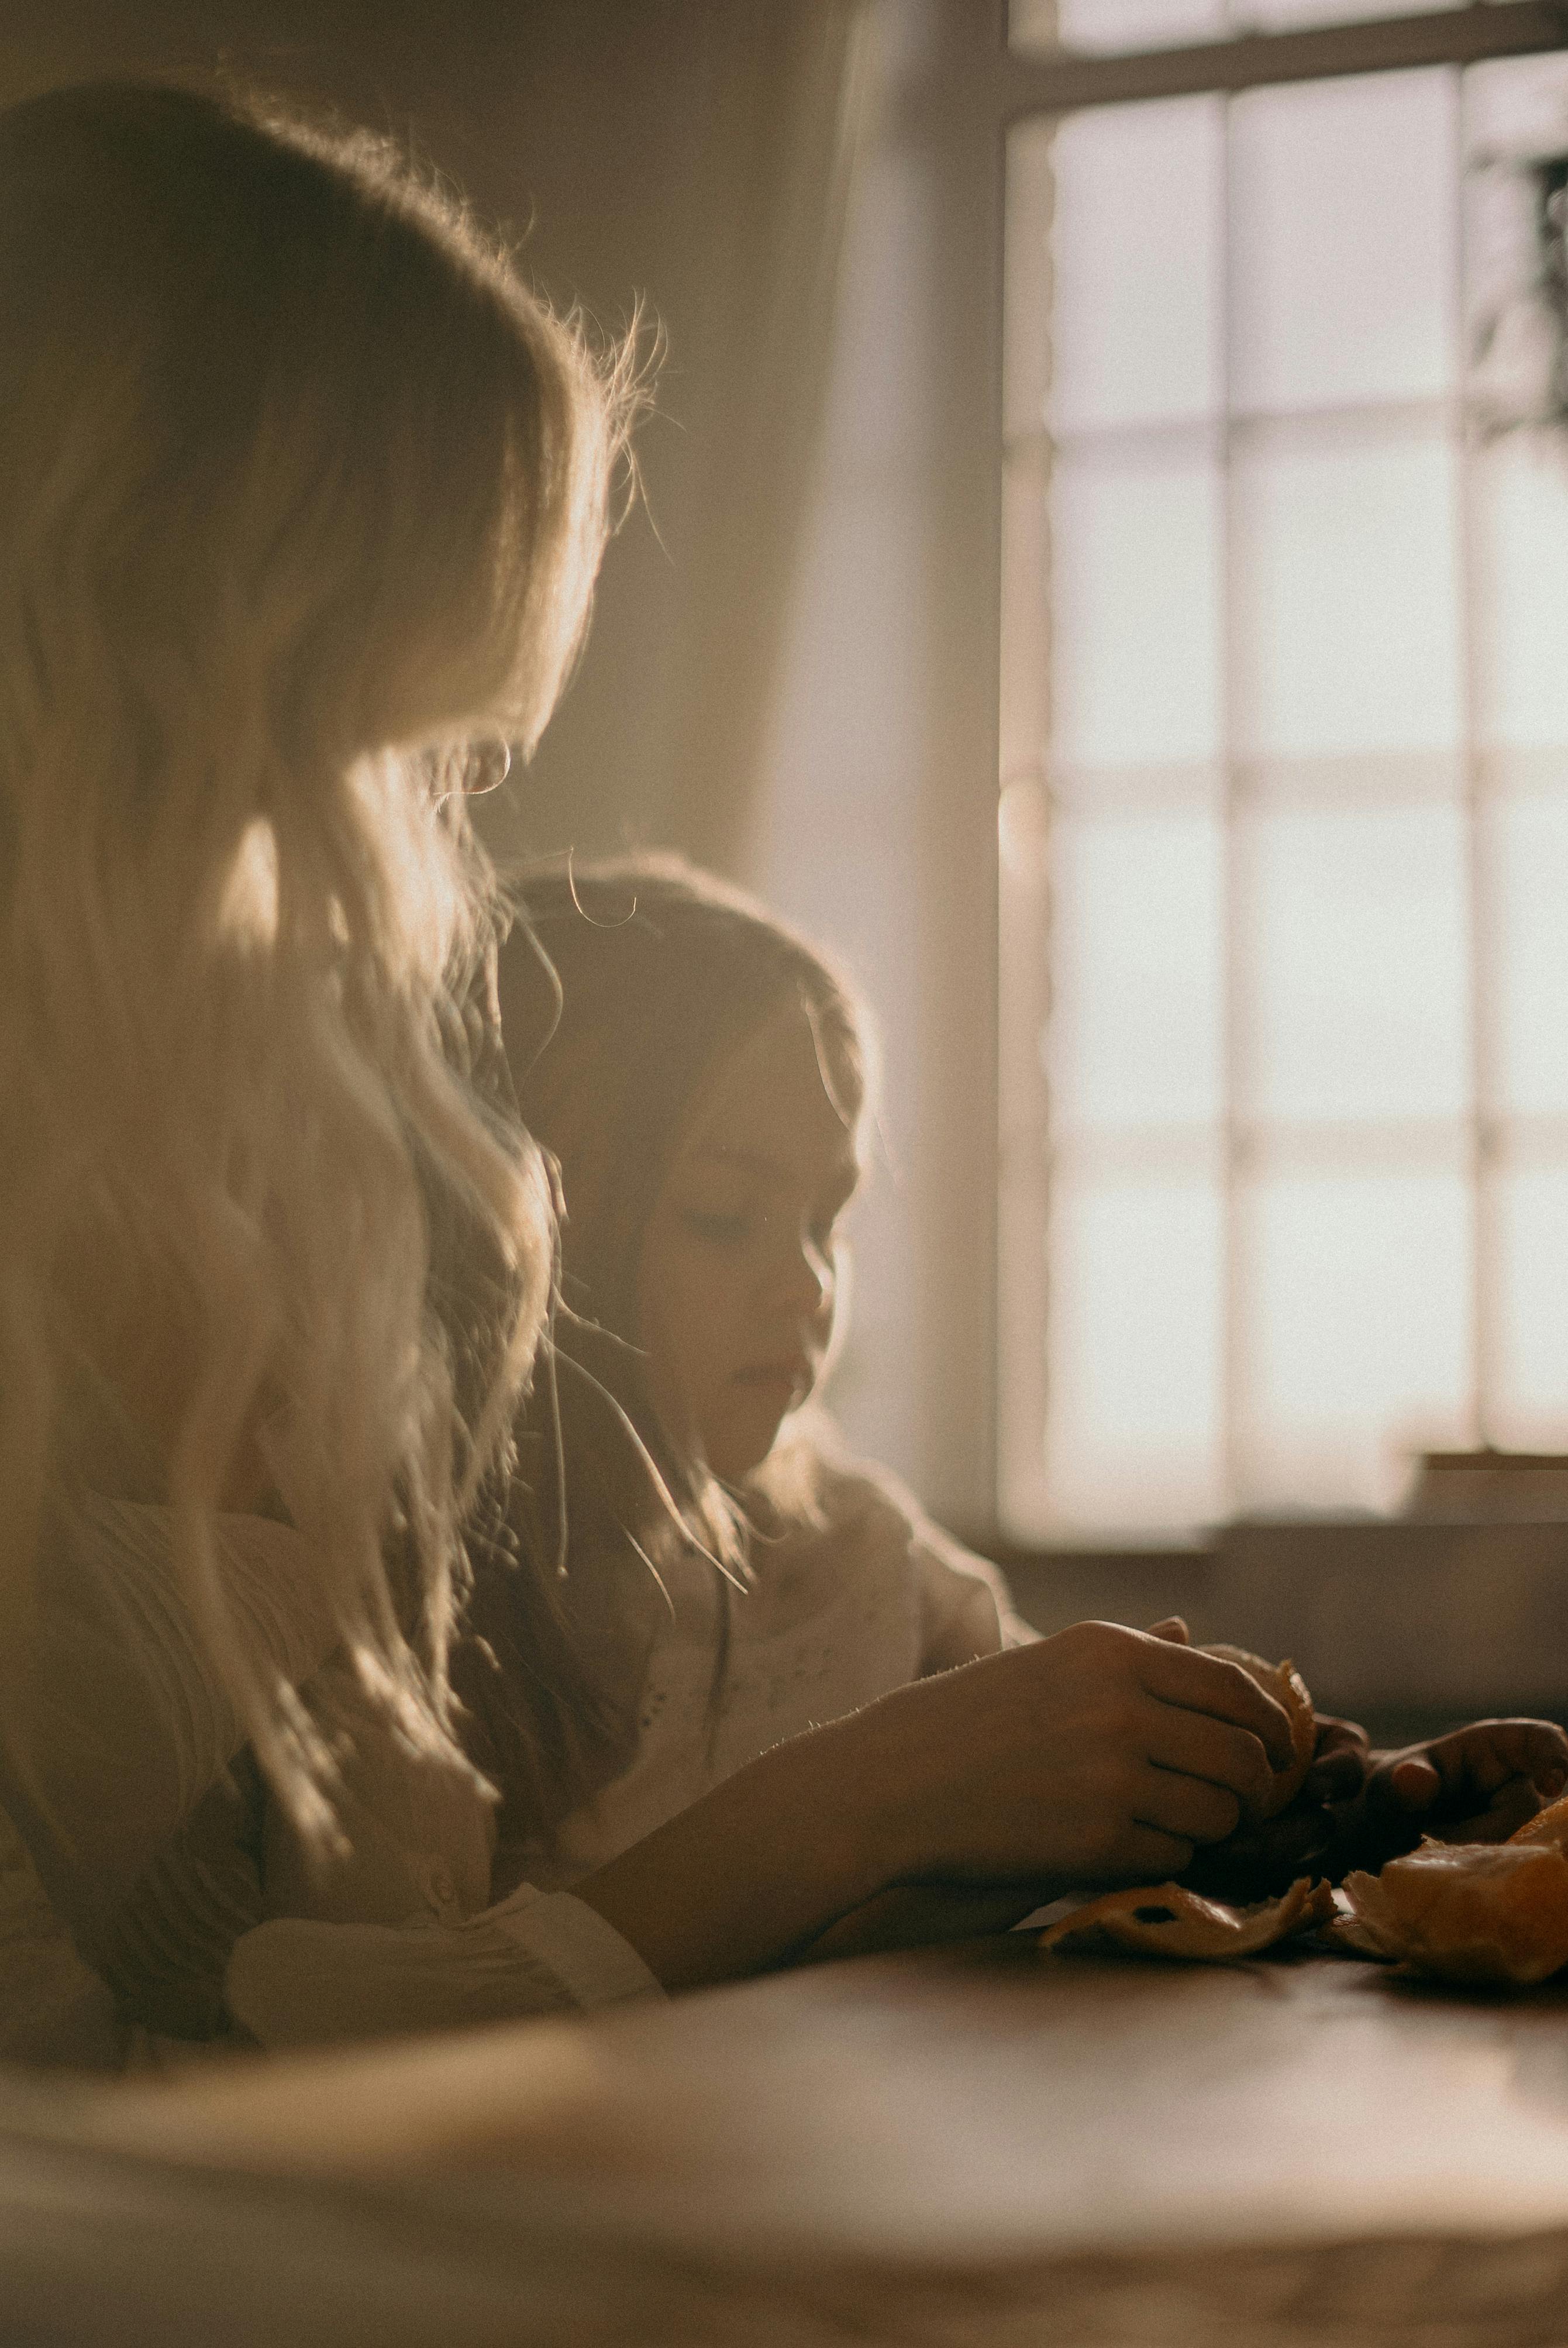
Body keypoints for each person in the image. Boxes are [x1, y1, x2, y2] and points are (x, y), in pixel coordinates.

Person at [0, 80, 1546, 2070]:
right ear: (94, 696)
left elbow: (295, 1995)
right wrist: (864, 1803)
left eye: (437, 774)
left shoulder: (269, 1307)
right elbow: (116, 2134)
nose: (410, 903)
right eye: (355, 755)